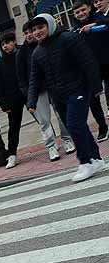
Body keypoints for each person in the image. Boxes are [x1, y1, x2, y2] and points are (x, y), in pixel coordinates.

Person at [26, 13, 105, 182]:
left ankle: (85, 162)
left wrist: (96, 86)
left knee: (74, 125)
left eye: (41, 27)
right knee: (78, 126)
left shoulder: (68, 38)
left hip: (79, 89)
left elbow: (88, 61)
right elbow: (34, 78)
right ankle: (96, 159)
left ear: (50, 25)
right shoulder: (37, 53)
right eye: (34, 30)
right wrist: (31, 101)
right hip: (58, 96)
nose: (37, 32)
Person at [19, 20, 76, 161]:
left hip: (54, 85)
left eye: (31, 31)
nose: (30, 35)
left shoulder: (47, 43)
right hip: (37, 91)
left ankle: (67, 139)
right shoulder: (21, 53)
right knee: (44, 120)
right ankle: (51, 145)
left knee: (61, 114)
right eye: (26, 33)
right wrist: (29, 96)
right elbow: (21, 77)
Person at [74, 0, 109, 140]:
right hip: (89, 69)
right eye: (77, 12)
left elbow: (106, 23)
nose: (81, 13)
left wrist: (94, 25)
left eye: (83, 10)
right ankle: (103, 126)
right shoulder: (75, 30)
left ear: (89, 8)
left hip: (106, 63)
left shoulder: (99, 17)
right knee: (93, 100)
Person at [0, 31, 28, 168]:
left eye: (7, 43)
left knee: (42, 119)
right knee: (13, 127)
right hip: (13, 99)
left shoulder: (23, 54)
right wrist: (3, 104)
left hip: (28, 92)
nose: (5, 46)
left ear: (14, 41)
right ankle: (12, 155)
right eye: (2, 45)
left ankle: (51, 145)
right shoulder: (0, 64)